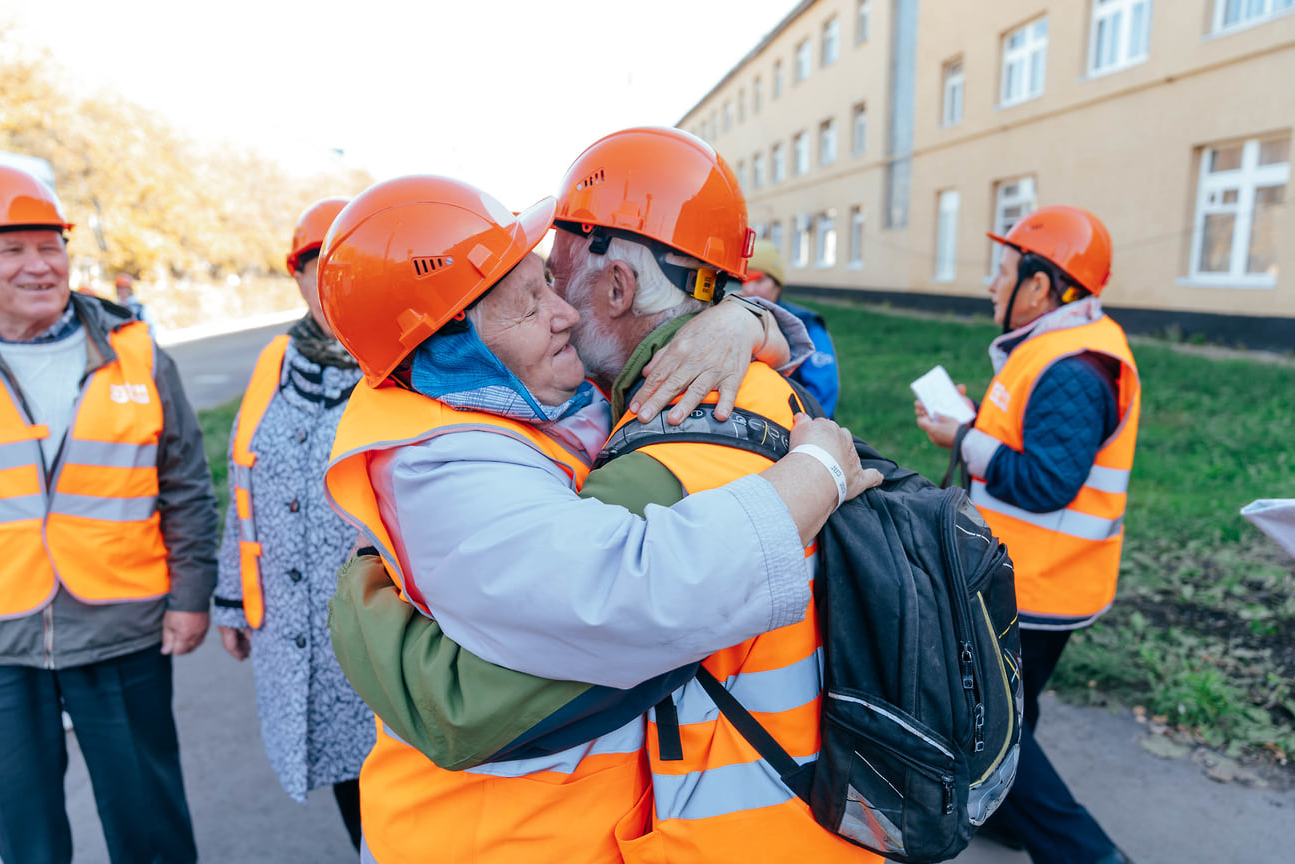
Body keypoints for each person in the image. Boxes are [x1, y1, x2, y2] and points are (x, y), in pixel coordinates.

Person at [324, 128, 886, 863]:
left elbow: (466, 704)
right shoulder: (462, 452)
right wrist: (750, 331)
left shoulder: (667, 415)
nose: (560, 309)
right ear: (456, 344)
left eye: (551, 280)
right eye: (530, 302)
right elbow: (606, 597)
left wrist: (362, 609)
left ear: (617, 287)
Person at [0, 165, 218, 863]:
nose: (38, 265)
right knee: (24, 837)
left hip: (123, 624)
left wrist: (191, 596)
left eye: (50, 246)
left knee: (149, 826)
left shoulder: (136, 353)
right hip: (4, 639)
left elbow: (184, 482)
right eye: (13, 250)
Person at [915, 205, 1139, 864]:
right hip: (1038, 576)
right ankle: (1011, 817)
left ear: (1040, 287)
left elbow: (1044, 482)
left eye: (1004, 270)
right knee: (1012, 710)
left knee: (990, 720)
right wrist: (975, 419)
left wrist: (961, 437)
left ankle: (1087, 854)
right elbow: (1033, 439)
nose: (992, 284)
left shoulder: (1073, 367)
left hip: (1039, 584)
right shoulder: (1055, 349)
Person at [210, 197, 373, 851]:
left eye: (347, 265)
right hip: (293, 628)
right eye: (315, 266)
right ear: (296, 275)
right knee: (347, 782)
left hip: (384, 630)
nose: (330, 280)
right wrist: (231, 597)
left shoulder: (409, 362)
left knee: (405, 786)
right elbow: (243, 479)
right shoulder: (275, 363)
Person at [739, 237, 840, 416]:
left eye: (759, 280)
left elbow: (823, 392)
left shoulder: (806, 325)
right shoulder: (735, 320)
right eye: (744, 280)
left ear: (777, 284)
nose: (749, 289)